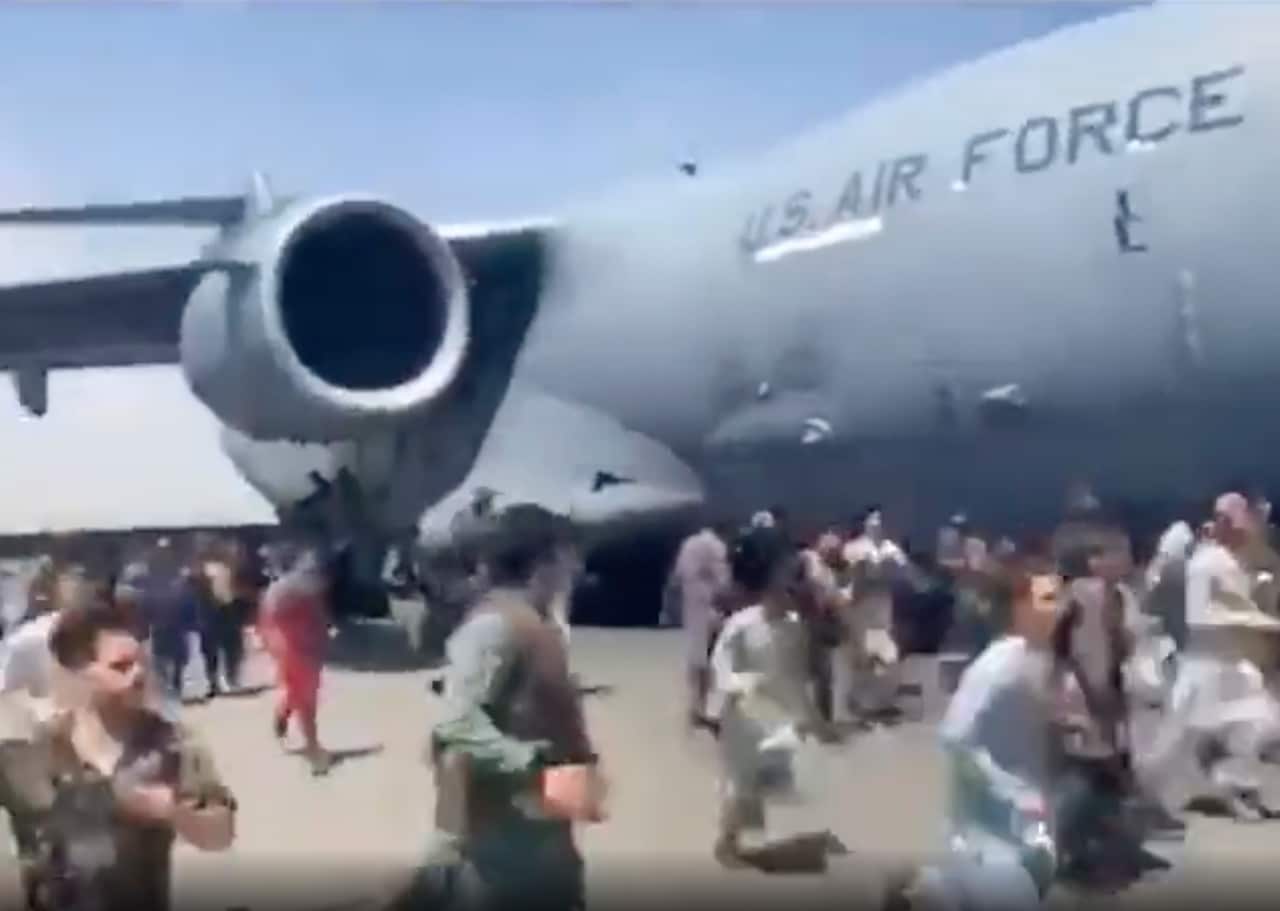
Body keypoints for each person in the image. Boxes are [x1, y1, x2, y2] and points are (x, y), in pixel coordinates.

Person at [403, 504, 603, 911]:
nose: (576, 568)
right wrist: (531, 760)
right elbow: (457, 725)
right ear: (544, 560)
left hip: (539, 830)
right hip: (504, 843)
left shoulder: (530, 624)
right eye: (568, 557)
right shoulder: (493, 628)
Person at [23, 599, 236, 911]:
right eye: (121, 667)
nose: (137, 675)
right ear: (82, 670)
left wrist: (175, 812)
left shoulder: (173, 743)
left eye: (141, 664)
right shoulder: (42, 746)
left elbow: (221, 836)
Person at [885, 568, 1059, 911]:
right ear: (1018, 608)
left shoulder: (1031, 660)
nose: (1059, 607)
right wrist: (999, 792)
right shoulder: (1000, 665)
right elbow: (955, 737)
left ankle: (924, 888)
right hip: (995, 834)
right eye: (1048, 599)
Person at [1140, 493, 1280, 822]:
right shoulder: (1207, 563)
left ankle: (1237, 785)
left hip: (1231, 664)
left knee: (1258, 726)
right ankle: (1139, 799)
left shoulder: (1232, 560)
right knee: (1174, 744)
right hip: (1207, 667)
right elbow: (1200, 616)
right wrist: (1262, 623)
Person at [710, 525, 824, 867]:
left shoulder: (794, 626)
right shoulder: (742, 624)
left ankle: (747, 832)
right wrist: (734, 683)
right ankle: (727, 843)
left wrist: (808, 713)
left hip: (773, 714)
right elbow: (720, 662)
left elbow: (796, 674)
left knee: (775, 773)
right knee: (740, 781)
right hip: (742, 715)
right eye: (781, 578)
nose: (787, 588)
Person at [258, 547, 332, 776]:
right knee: (305, 699)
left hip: (310, 649)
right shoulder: (282, 590)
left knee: (301, 693)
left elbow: (320, 616)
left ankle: (283, 713)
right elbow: (268, 621)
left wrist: (324, 634)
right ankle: (313, 749)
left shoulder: (310, 588)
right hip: (292, 651)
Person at [843, 509, 913, 722]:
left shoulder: (891, 549)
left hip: (883, 610)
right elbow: (852, 575)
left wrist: (888, 572)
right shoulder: (854, 547)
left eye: (880, 520)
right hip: (860, 610)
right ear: (865, 524)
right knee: (862, 659)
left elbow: (904, 573)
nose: (877, 524)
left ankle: (880, 703)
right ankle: (859, 702)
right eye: (873, 520)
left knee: (889, 658)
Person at [667, 524, 733, 730]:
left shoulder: (688, 544)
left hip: (691, 602)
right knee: (714, 657)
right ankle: (706, 709)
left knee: (695, 656)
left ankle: (694, 707)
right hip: (710, 604)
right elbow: (724, 580)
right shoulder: (717, 546)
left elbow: (677, 576)